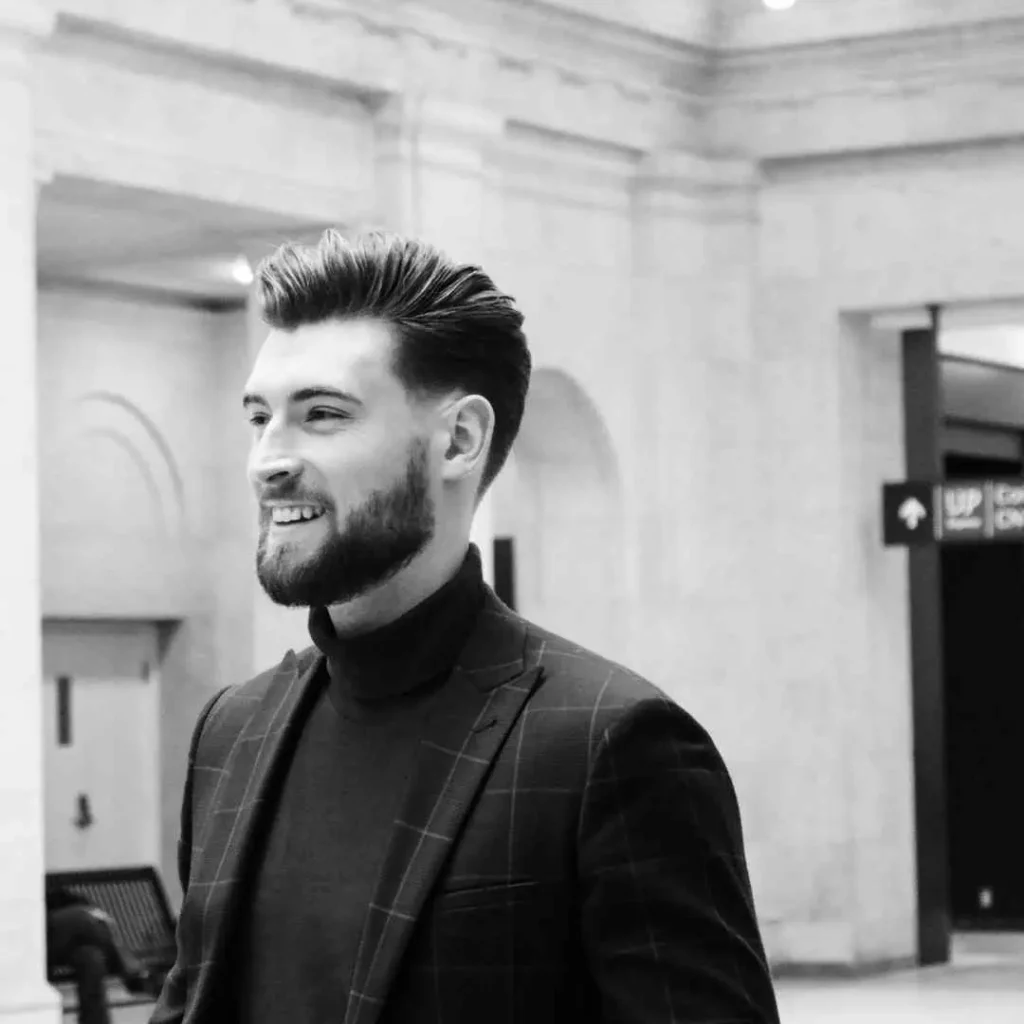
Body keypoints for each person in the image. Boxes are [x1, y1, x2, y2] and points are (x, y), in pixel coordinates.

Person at [151, 230, 780, 1024]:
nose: (268, 461)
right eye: (259, 417)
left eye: (321, 414)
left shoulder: (610, 745)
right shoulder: (230, 732)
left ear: (459, 439)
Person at [47, 885, 161, 1024]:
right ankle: (137, 976)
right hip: (33, 938)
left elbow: (58, 895)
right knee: (85, 918)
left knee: (91, 957)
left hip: (60, 938)